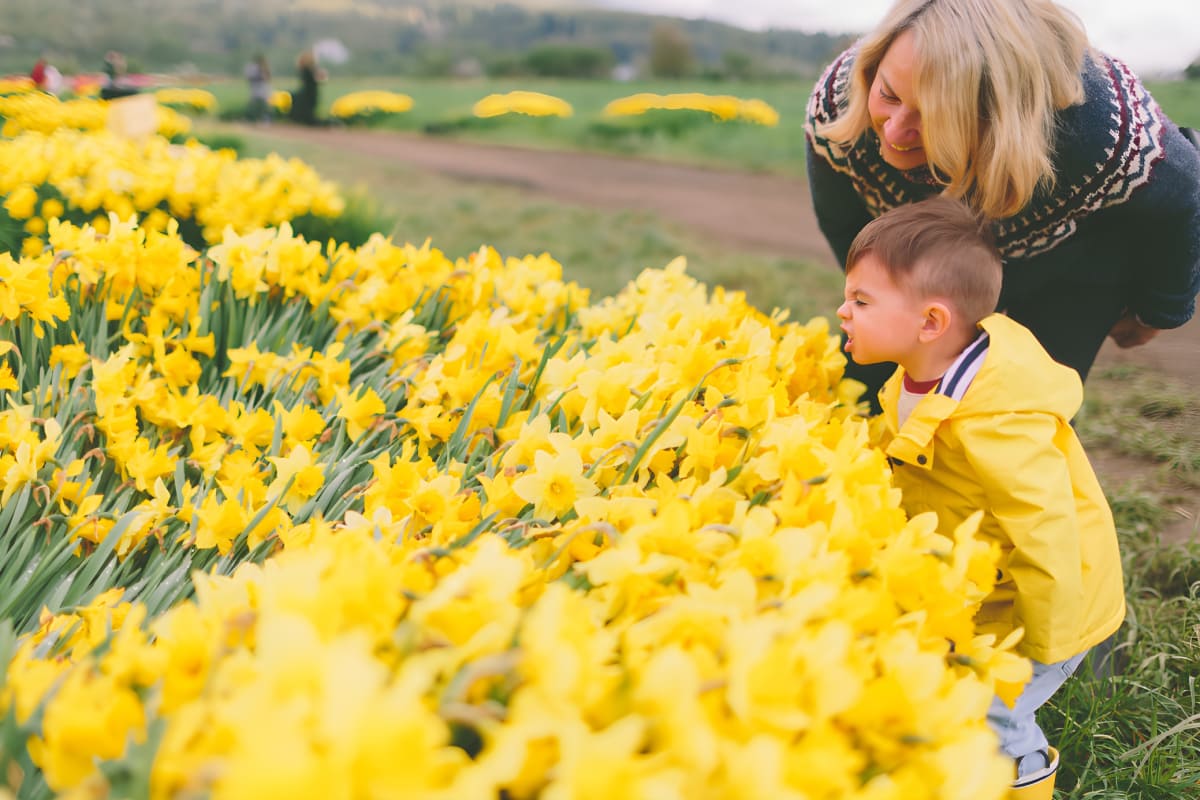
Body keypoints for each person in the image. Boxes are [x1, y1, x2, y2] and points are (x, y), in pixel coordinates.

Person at [836, 196, 1125, 797]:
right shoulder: (918, 373)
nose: (842, 312)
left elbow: (1046, 529)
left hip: (1042, 604)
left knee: (992, 715)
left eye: (861, 301)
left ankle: (1024, 780)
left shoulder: (993, 418)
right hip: (981, 589)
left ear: (932, 322)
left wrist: (1042, 641)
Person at [807, 0, 1200, 411]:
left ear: (1001, 117)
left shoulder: (1099, 129)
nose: (895, 129)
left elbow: (1184, 189)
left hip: (1072, 256)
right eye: (888, 94)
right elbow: (842, 220)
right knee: (871, 395)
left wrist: (1159, 307)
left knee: (1026, 408)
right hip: (927, 254)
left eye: (934, 117)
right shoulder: (839, 101)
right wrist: (877, 302)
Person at [289, 49, 325, 125]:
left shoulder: (307, 70)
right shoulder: (309, 70)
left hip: (308, 94)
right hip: (310, 94)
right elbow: (321, 79)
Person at [244, 54, 272, 124]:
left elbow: (267, 77)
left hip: (263, 87)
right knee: (253, 104)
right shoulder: (254, 68)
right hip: (256, 87)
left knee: (264, 104)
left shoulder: (264, 68)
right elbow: (250, 78)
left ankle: (265, 118)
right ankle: (251, 118)